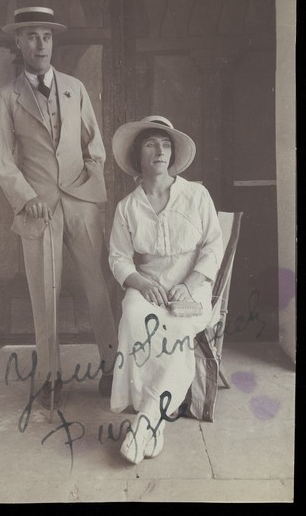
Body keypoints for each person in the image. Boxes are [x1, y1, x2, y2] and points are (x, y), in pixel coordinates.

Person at [0, 6, 117, 408]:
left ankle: (113, 367)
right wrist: (27, 199)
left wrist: (88, 186)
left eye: (45, 36)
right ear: (18, 42)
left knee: (98, 286)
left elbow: (94, 146)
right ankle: (50, 377)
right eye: (30, 36)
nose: (39, 44)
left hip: (80, 204)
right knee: (44, 292)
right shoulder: (7, 97)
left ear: (53, 41)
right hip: (38, 209)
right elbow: (2, 159)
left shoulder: (75, 88)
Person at [108, 115, 223, 464]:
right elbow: (118, 257)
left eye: (166, 144)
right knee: (132, 315)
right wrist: (141, 283)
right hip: (148, 285)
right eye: (151, 143)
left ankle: (145, 423)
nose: (160, 150)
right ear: (137, 155)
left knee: (175, 332)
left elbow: (213, 247)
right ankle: (155, 424)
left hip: (192, 288)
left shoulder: (195, 194)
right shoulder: (128, 207)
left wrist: (189, 285)